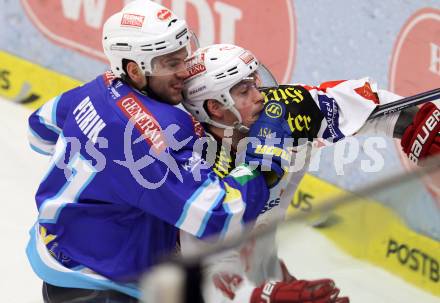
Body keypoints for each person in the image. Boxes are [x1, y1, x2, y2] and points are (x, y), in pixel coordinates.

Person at [25, 1, 282, 302]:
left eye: (183, 58)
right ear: (134, 70)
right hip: (101, 284)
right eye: (170, 64)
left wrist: (110, 176)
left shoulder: (101, 86)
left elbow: (39, 130)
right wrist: (260, 163)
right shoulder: (158, 135)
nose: (185, 72)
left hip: (58, 249)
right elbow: (221, 217)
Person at [181, 43, 440, 303]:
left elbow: (368, 105)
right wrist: (262, 297)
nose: (260, 96)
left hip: (260, 270)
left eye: (254, 82)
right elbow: (203, 271)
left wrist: (419, 128)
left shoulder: (288, 110)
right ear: (215, 107)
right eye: (243, 90)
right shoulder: (193, 166)